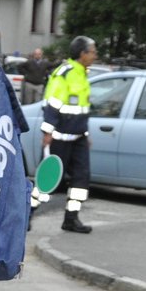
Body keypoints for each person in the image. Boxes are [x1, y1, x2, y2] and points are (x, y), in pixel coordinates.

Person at [42, 35, 99, 234]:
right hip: (59, 137)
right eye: (92, 51)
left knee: (81, 179)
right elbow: (53, 103)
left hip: (79, 138)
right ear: (82, 54)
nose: (95, 55)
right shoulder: (65, 73)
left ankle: (71, 218)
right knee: (48, 180)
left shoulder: (83, 73)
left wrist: (85, 134)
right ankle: (27, 214)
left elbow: (81, 109)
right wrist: (47, 132)